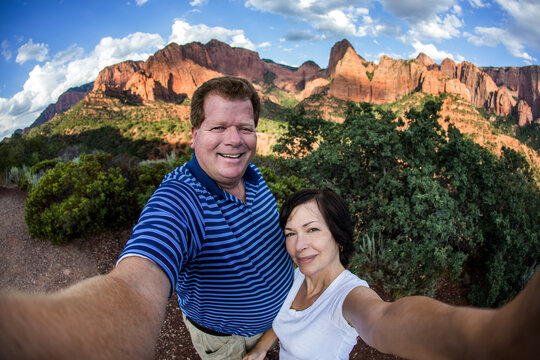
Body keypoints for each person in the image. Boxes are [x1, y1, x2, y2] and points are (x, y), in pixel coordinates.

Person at [0, 76, 294, 360]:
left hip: (280, 321)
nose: (234, 140)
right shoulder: (180, 199)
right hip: (230, 340)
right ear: (195, 135)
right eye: (218, 127)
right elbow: (135, 286)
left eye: (245, 128)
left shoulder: (253, 175)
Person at [244, 188, 540, 360]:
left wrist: (489, 335)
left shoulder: (348, 298)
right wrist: (261, 347)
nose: (300, 245)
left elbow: (383, 319)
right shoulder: (294, 276)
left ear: (339, 236)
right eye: (290, 233)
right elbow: (288, 319)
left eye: (312, 230)